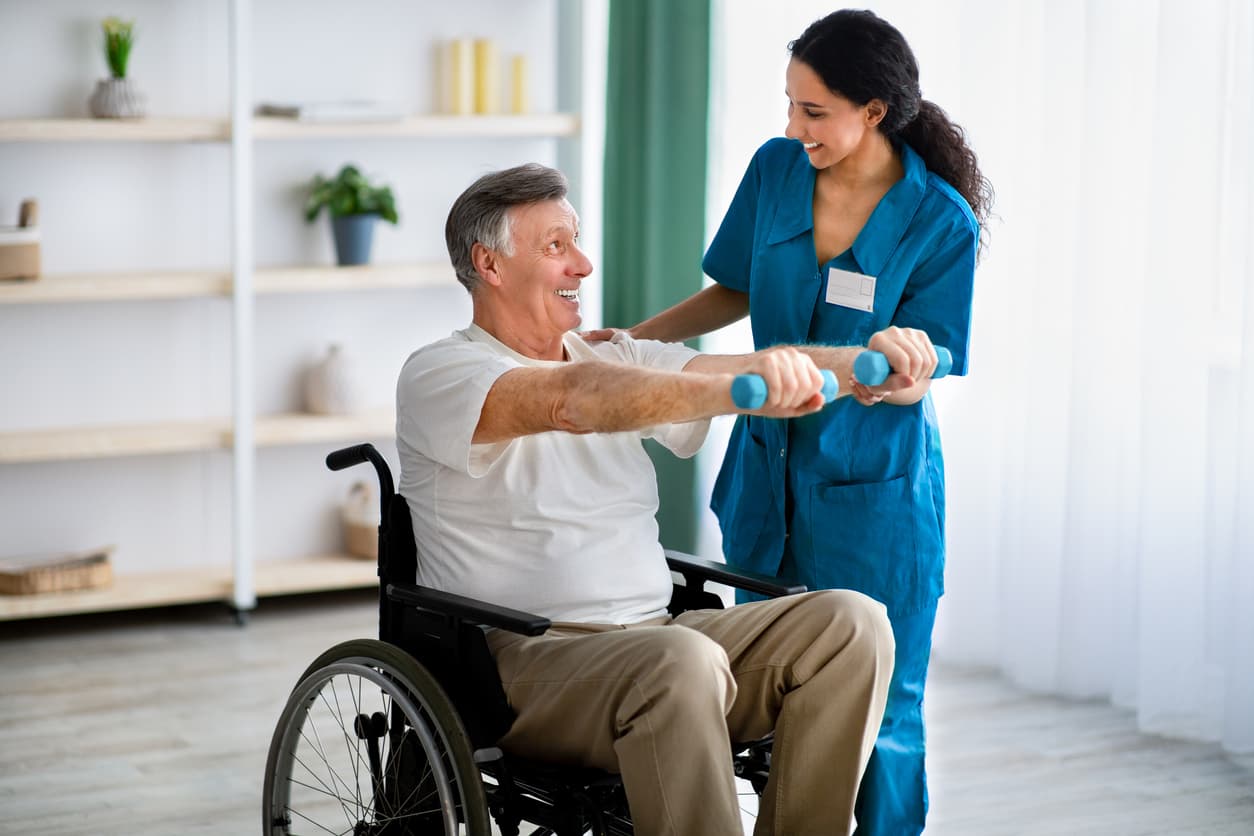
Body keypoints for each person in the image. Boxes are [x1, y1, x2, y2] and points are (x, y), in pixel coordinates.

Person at [396, 162, 942, 836]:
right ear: (490, 265)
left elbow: (727, 370)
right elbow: (574, 402)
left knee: (853, 625)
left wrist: (870, 361)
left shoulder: (617, 354)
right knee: (680, 661)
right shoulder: (443, 372)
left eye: (577, 241)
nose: (584, 265)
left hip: (661, 640)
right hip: (532, 664)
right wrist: (726, 390)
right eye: (555, 247)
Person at [587, 10, 993, 835]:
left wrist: (897, 371)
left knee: (883, 712)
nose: (791, 127)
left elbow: (930, 369)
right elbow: (731, 289)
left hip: (875, 497)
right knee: (767, 686)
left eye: (813, 112)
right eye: (788, 105)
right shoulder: (777, 170)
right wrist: (630, 344)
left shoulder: (939, 220)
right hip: (766, 473)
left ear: (873, 111)